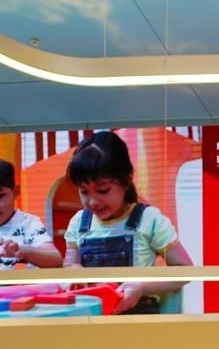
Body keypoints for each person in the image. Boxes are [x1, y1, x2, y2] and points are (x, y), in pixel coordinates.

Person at [62, 131, 193, 314]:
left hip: (139, 321)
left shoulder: (150, 219)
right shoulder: (78, 223)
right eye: (84, 191)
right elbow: (69, 265)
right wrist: (74, 272)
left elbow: (184, 270)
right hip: (93, 318)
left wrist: (141, 286)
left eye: (103, 190)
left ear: (127, 179)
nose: (92, 201)